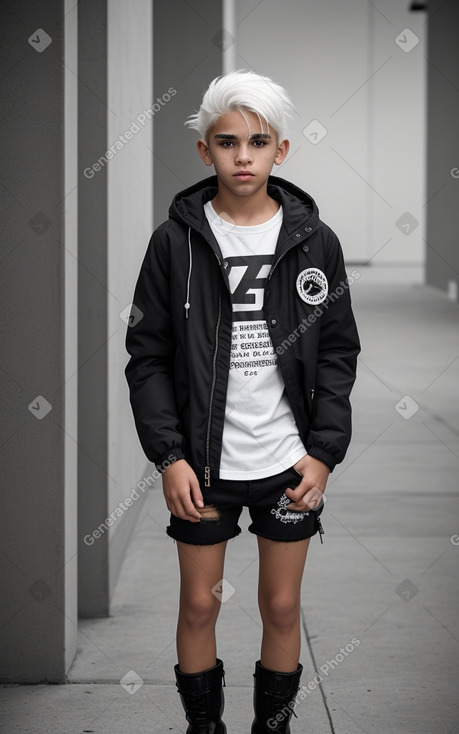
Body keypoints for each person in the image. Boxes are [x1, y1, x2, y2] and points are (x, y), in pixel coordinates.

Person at [125, 69, 360, 734]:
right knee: (199, 605)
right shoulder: (175, 242)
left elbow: (337, 352)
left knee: (281, 608)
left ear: (280, 151)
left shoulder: (315, 242)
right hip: (202, 465)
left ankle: (271, 728)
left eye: (258, 142)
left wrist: (321, 455)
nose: (243, 156)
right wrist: (168, 456)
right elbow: (147, 356)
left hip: (286, 462)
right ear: (205, 151)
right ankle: (206, 729)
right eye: (227, 142)